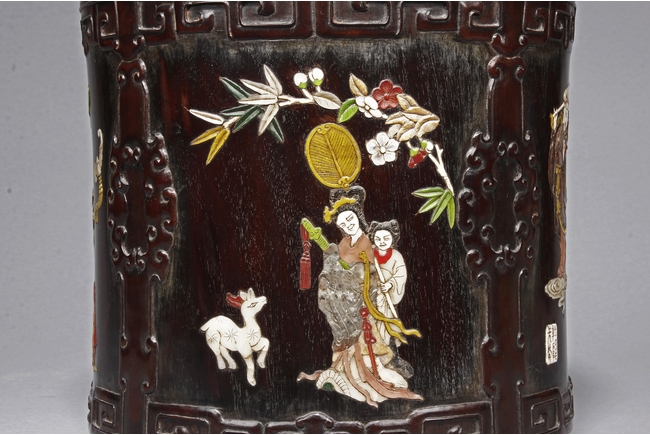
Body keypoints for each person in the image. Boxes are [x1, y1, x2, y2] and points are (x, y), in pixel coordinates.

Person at [298, 186, 422, 406]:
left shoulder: (368, 242)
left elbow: (370, 270)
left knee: (370, 341)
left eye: (350, 219)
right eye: (342, 224)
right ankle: (345, 376)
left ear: (358, 217)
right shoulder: (344, 243)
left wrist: (358, 274)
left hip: (366, 302)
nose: (348, 225)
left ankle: (371, 375)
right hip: (346, 302)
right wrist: (332, 258)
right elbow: (336, 269)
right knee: (347, 342)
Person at [368, 220, 414, 378]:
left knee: (390, 328)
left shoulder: (396, 257)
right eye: (378, 239)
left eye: (386, 238)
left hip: (386, 300)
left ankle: (393, 359)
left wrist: (390, 284)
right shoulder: (368, 253)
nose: (382, 242)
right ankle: (374, 361)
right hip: (370, 299)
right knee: (371, 329)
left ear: (393, 239)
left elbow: (401, 275)